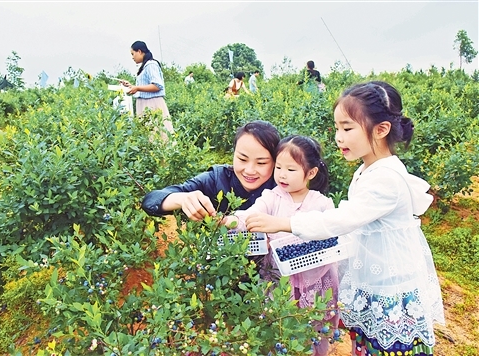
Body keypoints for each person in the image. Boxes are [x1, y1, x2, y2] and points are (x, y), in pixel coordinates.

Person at [244, 81, 445, 356]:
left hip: (389, 289)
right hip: (372, 282)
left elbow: (341, 220)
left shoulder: (386, 178)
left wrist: (283, 224)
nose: (339, 137)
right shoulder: (367, 169)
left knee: (388, 347)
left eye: (347, 128)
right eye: (337, 128)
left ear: (381, 130)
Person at [224, 135, 338, 356]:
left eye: (291, 170)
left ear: (311, 173)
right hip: (280, 280)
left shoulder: (322, 204)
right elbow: (249, 215)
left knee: (313, 330)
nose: (282, 175)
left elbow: (330, 235)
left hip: (315, 280)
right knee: (279, 328)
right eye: (278, 167)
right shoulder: (272, 198)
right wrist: (227, 220)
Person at [141, 120, 280, 221]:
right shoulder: (216, 179)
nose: (249, 170)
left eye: (261, 163)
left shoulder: (282, 186)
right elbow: (151, 200)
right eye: (242, 159)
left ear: (275, 162)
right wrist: (182, 199)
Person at [120, 40, 174, 135]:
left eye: (133, 54)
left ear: (139, 51)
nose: (132, 57)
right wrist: (131, 86)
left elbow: (157, 86)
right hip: (144, 103)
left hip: (152, 103)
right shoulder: (144, 66)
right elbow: (144, 86)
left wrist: (137, 88)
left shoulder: (151, 65)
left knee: (157, 135)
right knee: (148, 135)